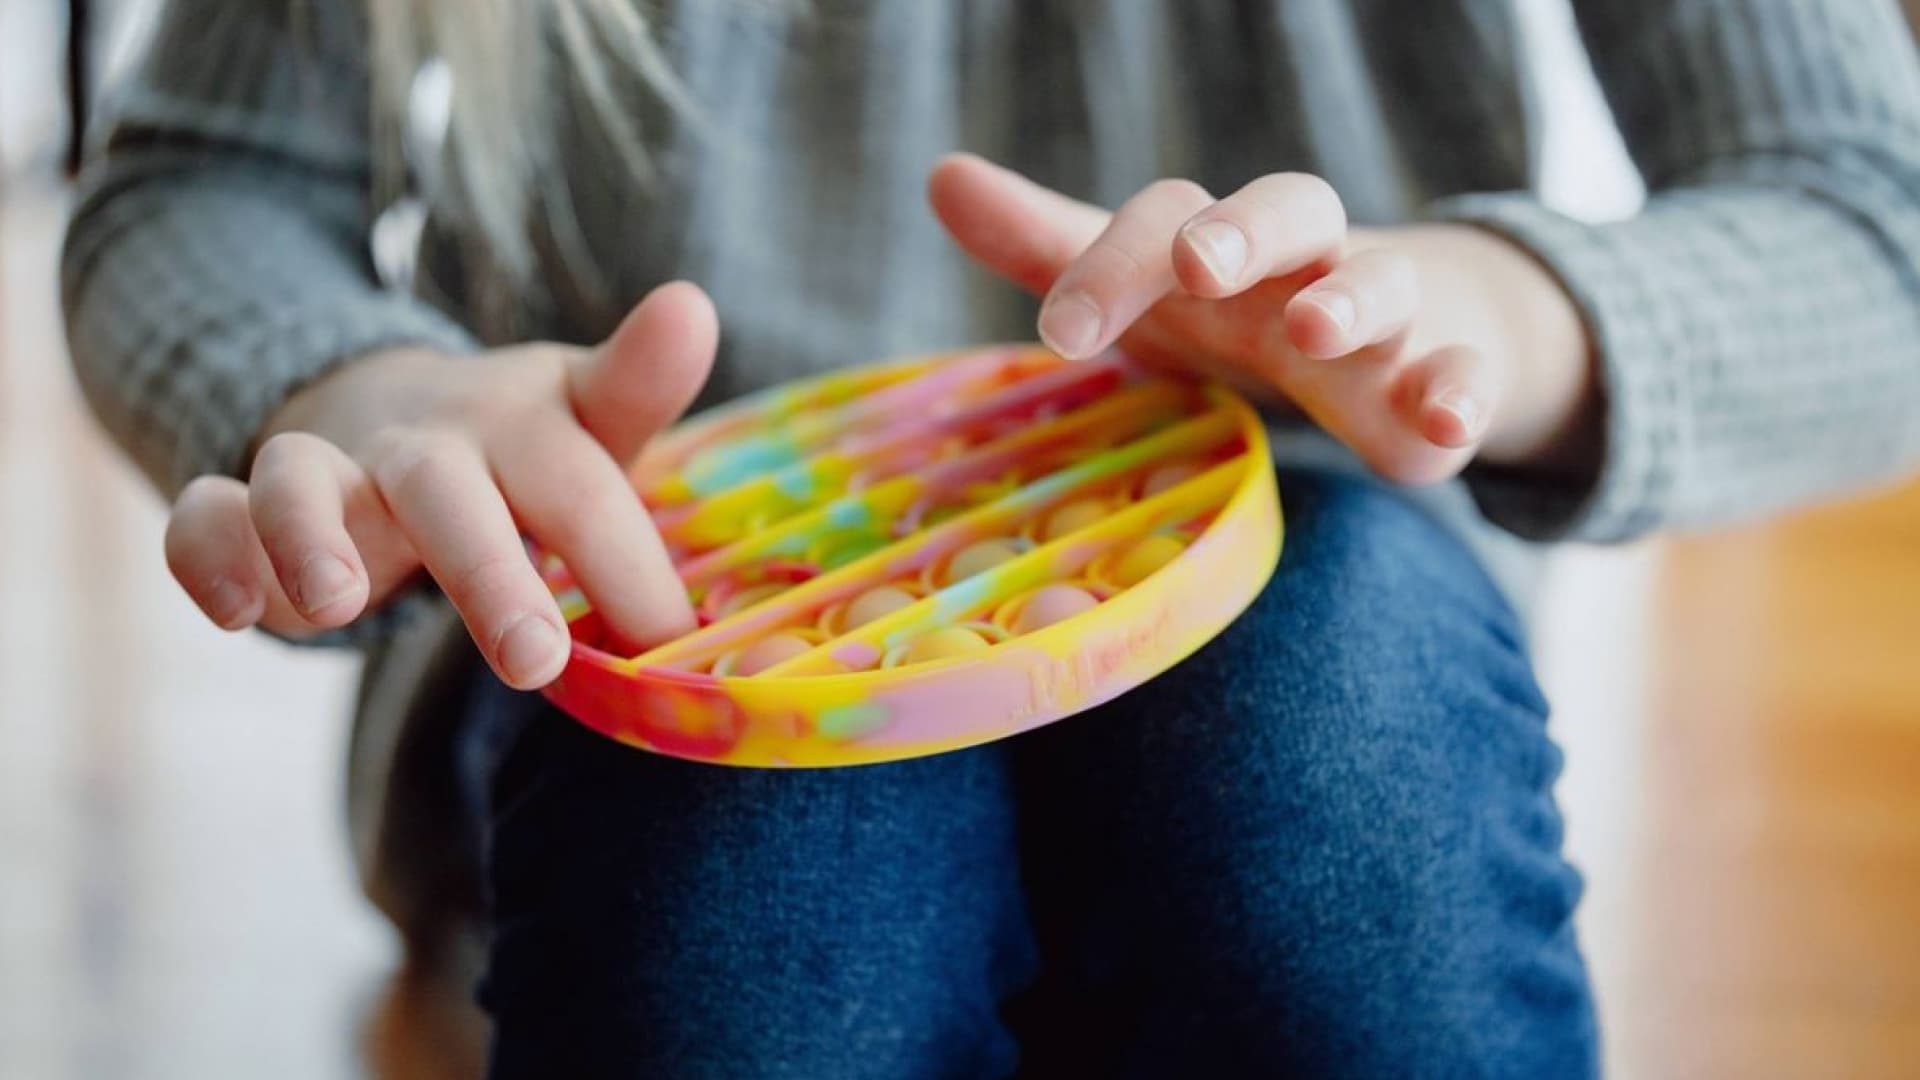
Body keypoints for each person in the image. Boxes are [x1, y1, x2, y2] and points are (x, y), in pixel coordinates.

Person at [62, 1, 1920, 1076]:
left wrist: (1491, 316)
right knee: (747, 880)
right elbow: (197, 181)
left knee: (1330, 772)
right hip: (649, 605)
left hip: (1298, 531)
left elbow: (1871, 221)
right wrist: (356, 389)